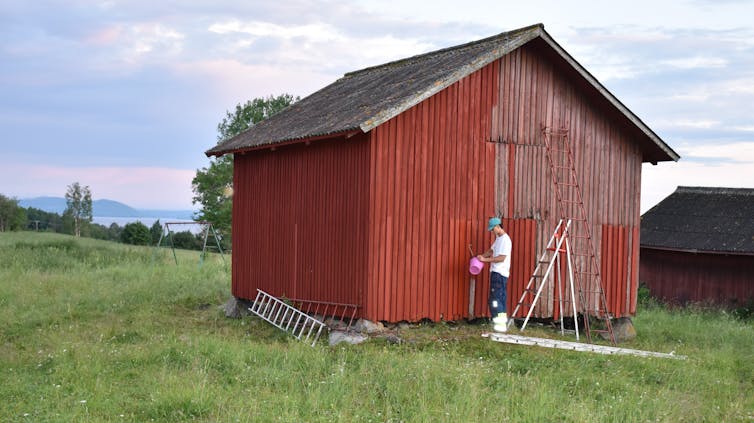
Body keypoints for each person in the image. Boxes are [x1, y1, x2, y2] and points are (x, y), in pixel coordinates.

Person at [477, 217, 512, 332]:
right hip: (497, 274)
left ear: (498, 227)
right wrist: (481, 256)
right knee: (499, 299)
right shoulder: (499, 239)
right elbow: (491, 251)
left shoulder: (506, 240)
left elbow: (501, 258)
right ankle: (501, 325)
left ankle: (500, 325)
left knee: (495, 300)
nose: (492, 232)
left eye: (493, 229)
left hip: (499, 273)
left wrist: (484, 260)